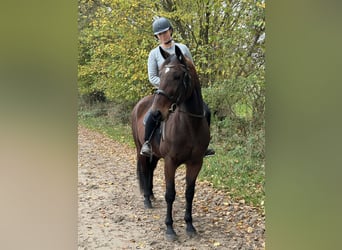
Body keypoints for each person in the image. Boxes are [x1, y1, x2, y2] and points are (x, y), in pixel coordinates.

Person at [140, 17, 215, 157]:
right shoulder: (154, 54)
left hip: (184, 92)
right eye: (160, 34)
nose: (163, 36)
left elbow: (192, 70)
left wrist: (183, 85)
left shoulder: (183, 49)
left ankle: (204, 145)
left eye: (165, 32)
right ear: (156, 36)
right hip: (165, 94)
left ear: (170, 31)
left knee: (206, 111)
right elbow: (152, 77)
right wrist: (167, 86)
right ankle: (147, 143)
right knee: (152, 115)